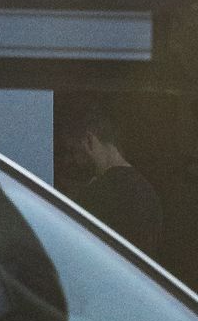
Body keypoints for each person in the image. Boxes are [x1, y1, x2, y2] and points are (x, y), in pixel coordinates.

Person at [63, 101, 164, 258]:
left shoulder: (96, 195)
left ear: (89, 140)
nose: (72, 161)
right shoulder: (148, 191)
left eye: (74, 150)